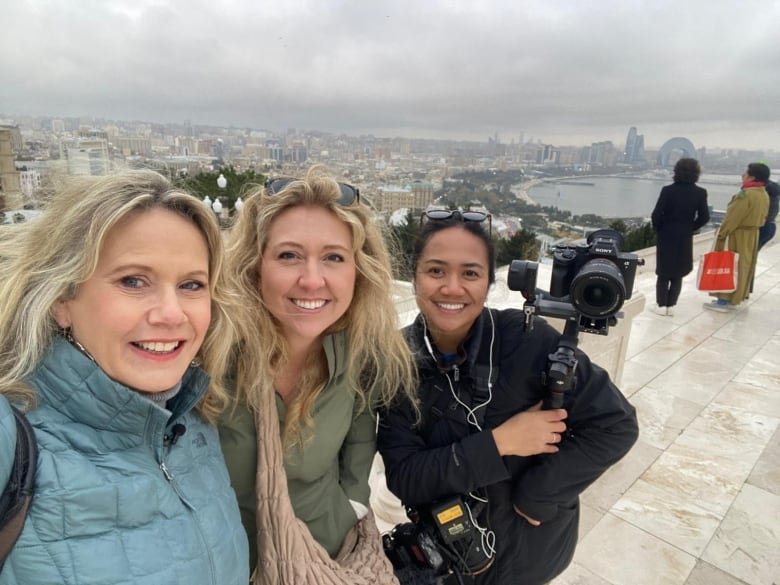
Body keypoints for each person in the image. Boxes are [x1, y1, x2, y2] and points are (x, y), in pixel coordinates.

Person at [0, 170, 249, 584]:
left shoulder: (192, 419)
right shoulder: (14, 440)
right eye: (133, 281)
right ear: (62, 299)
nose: (172, 313)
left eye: (191, 284)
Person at [376, 212, 639, 585]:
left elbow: (615, 423)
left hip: (530, 554)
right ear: (414, 276)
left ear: (488, 282)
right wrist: (501, 442)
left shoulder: (527, 341)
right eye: (435, 271)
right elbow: (405, 477)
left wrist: (538, 494)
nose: (452, 288)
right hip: (450, 558)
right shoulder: (396, 360)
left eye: (470, 273)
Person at [218, 167, 417, 584]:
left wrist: (353, 503)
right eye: (289, 255)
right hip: (225, 564)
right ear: (256, 265)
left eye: (333, 257)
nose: (312, 280)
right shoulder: (213, 353)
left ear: (358, 271)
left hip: (320, 552)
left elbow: (361, 428)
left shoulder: (357, 352)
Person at [703, 162, 770, 312]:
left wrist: (721, 234)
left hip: (737, 235)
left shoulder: (745, 195)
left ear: (752, 176)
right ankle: (736, 297)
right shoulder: (763, 194)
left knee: (729, 264)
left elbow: (732, 218)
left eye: (745, 173)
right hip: (752, 234)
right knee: (744, 266)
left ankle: (723, 299)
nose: (742, 175)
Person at [650, 158, 710, 316]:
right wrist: (691, 228)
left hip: (667, 234)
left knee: (663, 270)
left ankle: (661, 304)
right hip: (685, 235)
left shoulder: (668, 190)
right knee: (678, 270)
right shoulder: (700, 192)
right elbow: (704, 217)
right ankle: (671, 305)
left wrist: (659, 228)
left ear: (676, 171)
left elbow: (656, 214)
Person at [757, 172, 779, 250]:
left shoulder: (762, 191)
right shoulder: (773, 189)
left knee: (747, 255)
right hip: (770, 226)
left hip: (762, 226)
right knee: (752, 255)